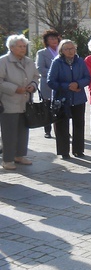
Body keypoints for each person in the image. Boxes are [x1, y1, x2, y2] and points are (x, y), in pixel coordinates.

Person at [0, 34, 40, 170]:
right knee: (9, 132)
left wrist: (33, 86)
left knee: (23, 130)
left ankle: (20, 155)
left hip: (25, 102)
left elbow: (36, 76)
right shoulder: (3, 61)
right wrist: (15, 89)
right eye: (20, 46)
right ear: (11, 48)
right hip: (9, 101)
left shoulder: (29, 61)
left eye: (24, 46)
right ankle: (7, 159)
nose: (23, 49)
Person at [47, 39, 91, 159]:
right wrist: (67, 86)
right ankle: (63, 151)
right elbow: (50, 81)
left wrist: (78, 84)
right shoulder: (57, 62)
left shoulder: (80, 61)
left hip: (78, 98)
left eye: (72, 48)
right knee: (62, 126)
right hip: (62, 99)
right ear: (61, 50)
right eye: (67, 49)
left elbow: (87, 77)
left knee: (79, 124)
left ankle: (78, 150)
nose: (70, 51)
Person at [35, 29, 61, 138]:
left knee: (60, 107)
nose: (54, 40)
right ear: (46, 41)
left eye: (55, 38)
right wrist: (53, 74)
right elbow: (40, 68)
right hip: (47, 84)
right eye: (51, 38)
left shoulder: (62, 52)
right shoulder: (42, 53)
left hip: (60, 84)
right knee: (46, 107)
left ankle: (60, 128)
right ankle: (47, 130)